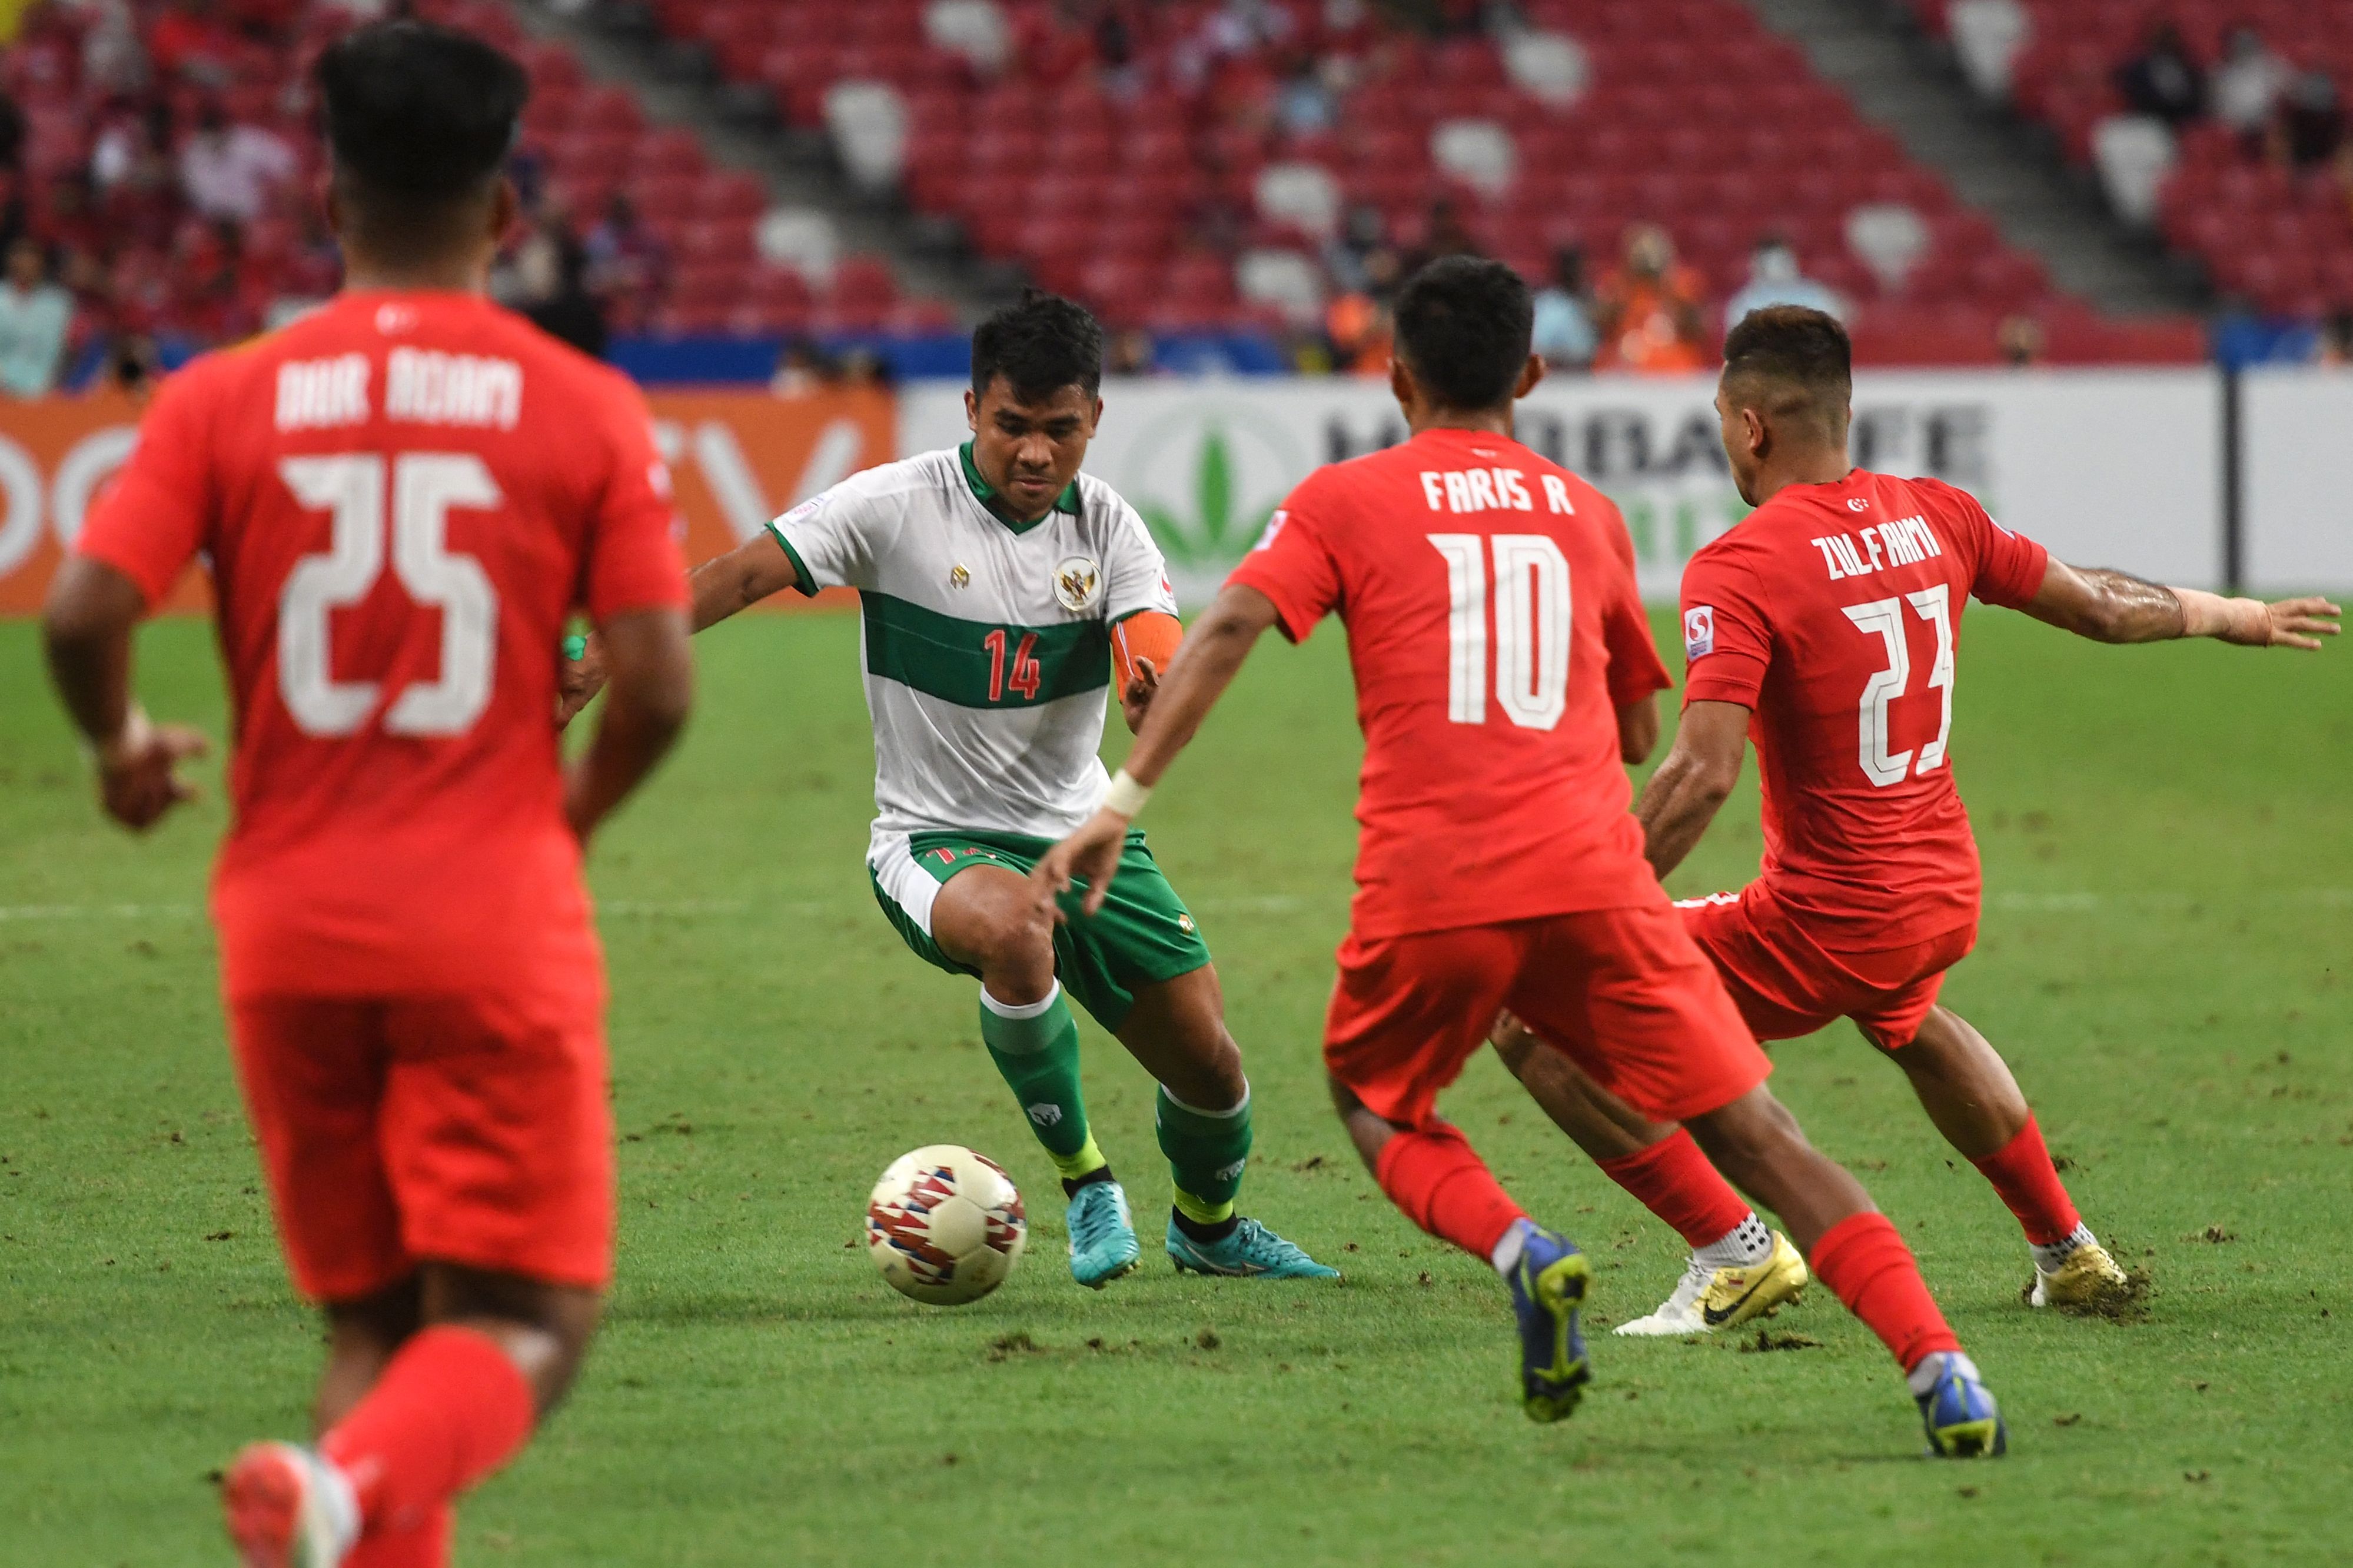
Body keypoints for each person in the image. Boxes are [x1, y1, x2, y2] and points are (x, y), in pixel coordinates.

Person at [1033, 260, 2010, 1457]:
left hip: (1434, 881)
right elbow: (1641, 732)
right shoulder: (1585, 512)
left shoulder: (1345, 497)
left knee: (1377, 1101)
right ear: (1533, 375)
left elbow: (1234, 620)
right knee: (1762, 1134)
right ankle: (1939, 1365)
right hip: (1597, 877)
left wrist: (1121, 800)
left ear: (1396, 378)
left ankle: (1522, 1249)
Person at [40, 22, 695, 1567]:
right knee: (531, 1319)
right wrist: (564, 821)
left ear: (329, 201)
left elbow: (80, 613)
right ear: (506, 212)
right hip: (487, 915)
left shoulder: (221, 398)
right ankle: (336, 1487)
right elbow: (659, 686)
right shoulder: (581, 404)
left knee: (375, 1324)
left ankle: (328, 1492)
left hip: (287, 924)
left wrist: (121, 743)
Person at [1489, 305, 2339, 1338]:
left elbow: (1700, 773)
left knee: (1526, 1005)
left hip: (1825, 919)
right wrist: (2233, 614)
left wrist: (1592, 890)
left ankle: (1730, 1251)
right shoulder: (1937, 513)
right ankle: (2066, 1251)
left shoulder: (1739, 565)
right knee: (1902, 1014)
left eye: (1720, 420)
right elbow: (2101, 606)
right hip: (1935, 893)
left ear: (1751, 427)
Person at [557, 289, 1337, 1289]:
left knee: (1213, 1072)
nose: (1035, 453)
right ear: (972, 408)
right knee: (1014, 932)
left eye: (1060, 430)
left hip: (1084, 838)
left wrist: (1153, 689)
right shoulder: (893, 504)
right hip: (932, 840)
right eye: (1012, 425)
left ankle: (1210, 1229)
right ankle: (1086, 1179)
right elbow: (744, 573)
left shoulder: (1111, 531)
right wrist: (610, 652)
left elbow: (1155, 655)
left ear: (1095, 419)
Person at [1594, 223, 1708, 374]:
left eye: (1653, 249)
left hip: (1675, 370)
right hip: (1627, 370)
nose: (1647, 256)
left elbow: (1700, 327)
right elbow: (1600, 322)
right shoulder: (1618, 288)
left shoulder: (1682, 288)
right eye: (1641, 250)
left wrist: (1670, 287)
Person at [0, 235, 72, 395]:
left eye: (31, 257)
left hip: (44, 390)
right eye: (20, 256)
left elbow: (61, 350)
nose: (26, 263)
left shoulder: (58, 303)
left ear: (41, 262)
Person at [1723, 234, 1842, 328]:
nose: (1782, 268)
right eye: (1774, 262)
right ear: (1758, 265)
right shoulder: (1744, 303)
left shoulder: (1816, 296)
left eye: (1785, 260)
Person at [2113, 21, 2203, 129]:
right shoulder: (2138, 70)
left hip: (2184, 123)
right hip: (2150, 123)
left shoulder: (2188, 67)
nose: (2165, 42)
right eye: (2161, 38)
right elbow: (2136, 99)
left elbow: (2196, 99)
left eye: (2168, 38)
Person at [1528, 244, 1596, 372]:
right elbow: (1538, 351)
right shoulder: (1548, 306)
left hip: (1588, 374)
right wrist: (1566, 357)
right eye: (1575, 269)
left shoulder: (1589, 303)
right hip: (1557, 376)